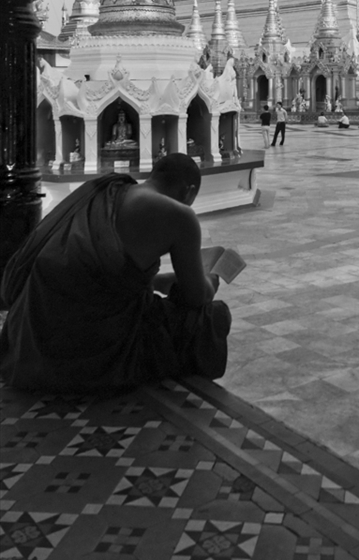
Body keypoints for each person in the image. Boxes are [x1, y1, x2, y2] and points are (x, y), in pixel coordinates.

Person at [0, 154, 231, 393]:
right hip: (89, 345)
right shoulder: (181, 215)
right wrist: (212, 277)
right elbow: (196, 296)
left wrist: (159, 281)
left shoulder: (105, 190)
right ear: (190, 191)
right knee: (211, 318)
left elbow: (95, 271)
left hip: (29, 336)